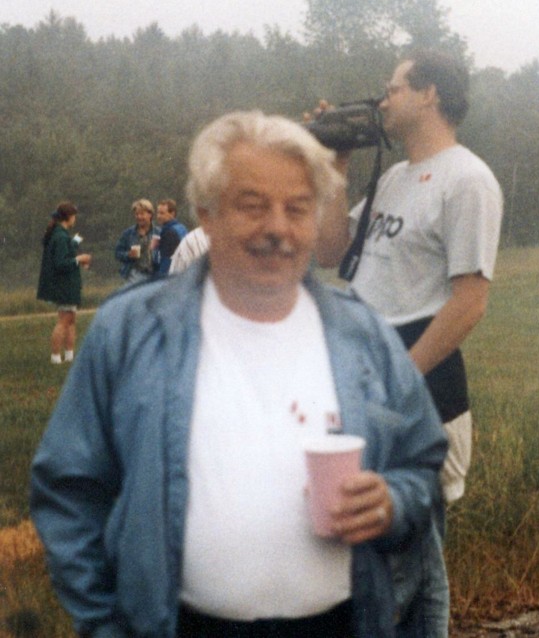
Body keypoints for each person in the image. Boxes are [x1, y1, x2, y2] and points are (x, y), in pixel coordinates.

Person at [31, 110, 447, 638]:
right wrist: (105, 625)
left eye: (297, 208)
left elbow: (422, 465)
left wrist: (392, 502)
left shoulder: (363, 335)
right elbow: (68, 489)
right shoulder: (131, 331)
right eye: (252, 206)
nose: (277, 228)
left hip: (343, 624)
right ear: (206, 214)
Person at [316, 49, 503, 635]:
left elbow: (470, 301)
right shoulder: (394, 178)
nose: (382, 100)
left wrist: (397, 381)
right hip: (372, 380)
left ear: (430, 94)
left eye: (393, 88)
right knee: (393, 566)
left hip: (420, 387)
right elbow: (328, 250)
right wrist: (336, 165)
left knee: (402, 573)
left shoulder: (467, 179)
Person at [36, 202, 92, 364]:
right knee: (64, 321)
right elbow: (60, 263)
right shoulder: (60, 236)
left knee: (70, 320)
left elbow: (66, 253)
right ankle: (55, 357)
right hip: (65, 285)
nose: (75, 219)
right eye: (74, 216)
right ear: (69, 217)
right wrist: (79, 259)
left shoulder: (60, 235)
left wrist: (75, 246)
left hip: (68, 284)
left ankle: (69, 355)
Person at [113, 198, 158, 284]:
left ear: (150, 214)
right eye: (137, 214)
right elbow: (117, 253)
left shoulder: (158, 233)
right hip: (134, 275)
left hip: (154, 274)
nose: (139, 217)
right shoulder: (128, 234)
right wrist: (128, 255)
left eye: (142, 214)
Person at [154, 198, 188, 277]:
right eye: (158, 213)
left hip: (171, 275)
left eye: (162, 213)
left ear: (172, 213)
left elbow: (166, 259)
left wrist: (161, 278)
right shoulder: (182, 228)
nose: (158, 216)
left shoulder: (168, 232)